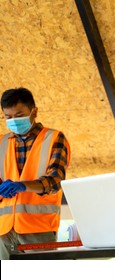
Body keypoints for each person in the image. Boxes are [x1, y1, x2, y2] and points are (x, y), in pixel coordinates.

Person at [0, 87, 70, 259]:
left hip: (39, 230)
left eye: (19, 115)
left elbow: (55, 181)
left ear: (34, 112)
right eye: (8, 117)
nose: (13, 121)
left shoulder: (53, 138)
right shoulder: (1, 142)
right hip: (3, 231)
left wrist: (23, 186)